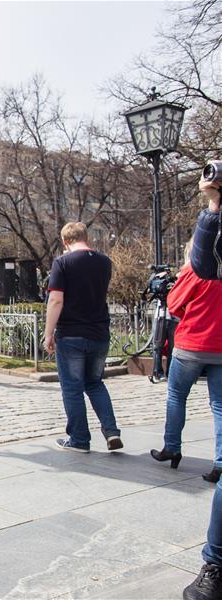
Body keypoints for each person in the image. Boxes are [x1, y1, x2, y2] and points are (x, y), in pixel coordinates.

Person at [43, 222, 122, 453]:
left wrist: (48, 333)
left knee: (72, 388)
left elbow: (56, 300)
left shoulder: (62, 263)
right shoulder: (104, 262)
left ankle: (79, 440)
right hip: (99, 332)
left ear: (65, 241)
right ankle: (111, 431)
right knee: (95, 383)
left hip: (71, 334)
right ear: (86, 237)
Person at [150, 239, 222, 479]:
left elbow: (173, 303)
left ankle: (172, 448)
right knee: (220, 406)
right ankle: (220, 462)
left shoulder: (197, 269)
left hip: (192, 342)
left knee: (176, 396)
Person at [184, 169, 222, 600]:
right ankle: (216, 561)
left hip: (197, 344)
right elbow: (206, 263)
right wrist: (214, 207)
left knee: (178, 397)